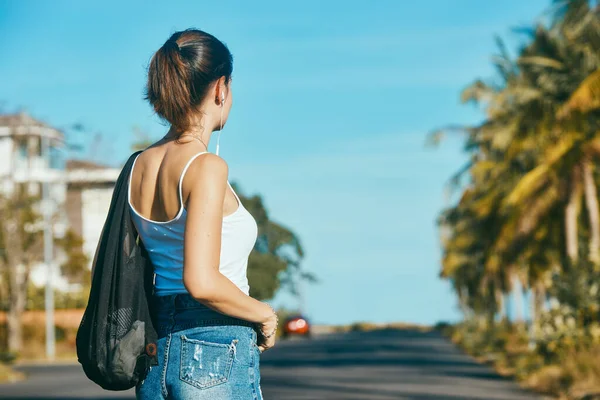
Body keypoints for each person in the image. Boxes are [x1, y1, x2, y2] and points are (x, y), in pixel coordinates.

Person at [130, 28, 277, 399]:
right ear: (220, 88)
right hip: (213, 347)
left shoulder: (138, 166)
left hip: (157, 350)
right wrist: (264, 315)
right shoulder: (206, 167)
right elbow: (202, 281)